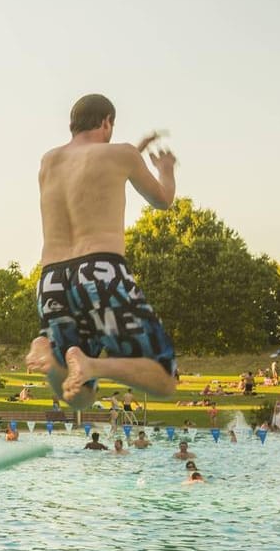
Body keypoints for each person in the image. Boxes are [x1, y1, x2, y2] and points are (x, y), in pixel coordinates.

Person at [26, 94, 180, 406]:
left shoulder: (49, 161)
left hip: (52, 279)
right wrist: (166, 169)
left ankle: (49, 353)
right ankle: (93, 364)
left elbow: (93, 174)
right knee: (165, 379)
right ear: (107, 121)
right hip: (100, 272)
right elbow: (162, 200)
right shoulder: (122, 154)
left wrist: (132, 153)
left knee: (80, 398)